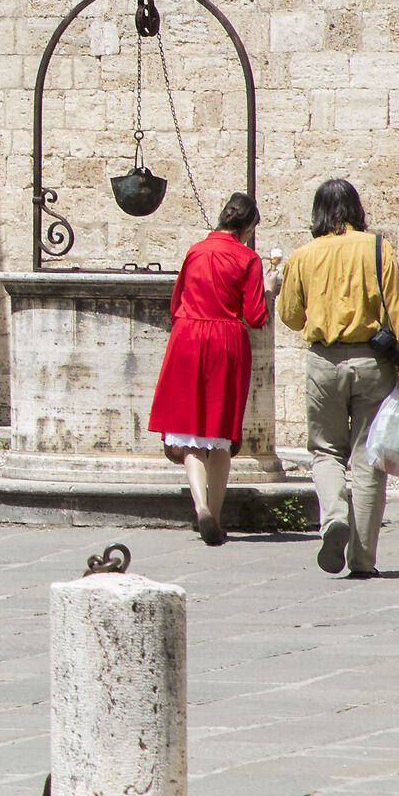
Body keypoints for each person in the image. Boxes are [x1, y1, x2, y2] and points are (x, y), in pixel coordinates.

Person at [277, 178, 399, 578]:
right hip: (373, 363)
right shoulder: (378, 249)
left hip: (324, 362)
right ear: (356, 210)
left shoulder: (303, 256)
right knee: (369, 459)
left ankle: (334, 517)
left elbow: (291, 317)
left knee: (325, 451)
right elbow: (398, 310)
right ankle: (363, 560)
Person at [147, 191, 271, 545]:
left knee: (190, 432)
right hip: (225, 342)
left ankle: (199, 506)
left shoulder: (195, 251)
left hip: (187, 338)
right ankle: (214, 515)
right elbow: (255, 316)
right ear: (248, 227)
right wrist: (270, 288)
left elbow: (176, 303)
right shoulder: (249, 259)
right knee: (219, 434)